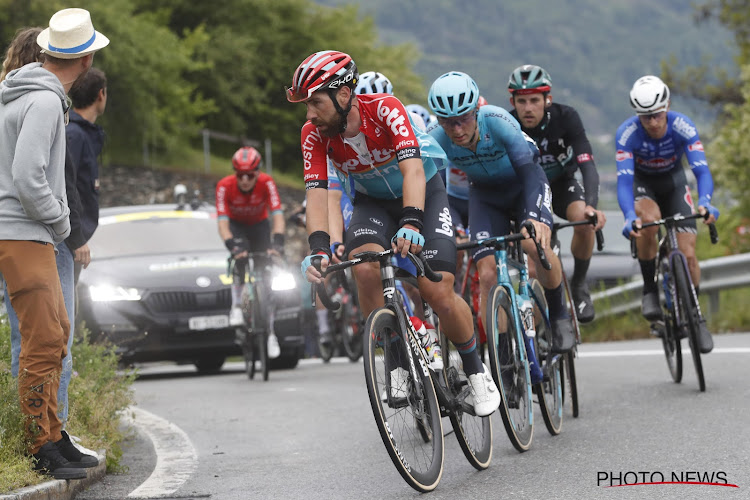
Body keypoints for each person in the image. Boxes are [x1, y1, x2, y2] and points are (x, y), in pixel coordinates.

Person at [288, 50, 500, 417]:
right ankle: (397, 361)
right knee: (365, 269)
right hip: (372, 202)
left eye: (315, 102)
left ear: (342, 95)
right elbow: (317, 194)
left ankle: (475, 370)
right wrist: (318, 248)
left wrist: (413, 222)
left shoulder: (385, 109)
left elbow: (414, 172)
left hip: (422, 194)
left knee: (437, 291)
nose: (309, 113)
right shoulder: (313, 133)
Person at [0, 8, 107, 479]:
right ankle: (38, 445)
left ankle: (53, 433)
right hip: (24, 231)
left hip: (23, 231)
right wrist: (61, 221)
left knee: (55, 333)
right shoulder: (43, 102)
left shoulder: (24, 95)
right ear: (85, 61)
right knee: (44, 339)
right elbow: (28, 175)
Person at [427, 71, 575, 358]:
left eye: (464, 119)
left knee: (533, 243)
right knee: (487, 275)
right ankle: (503, 354)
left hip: (524, 186)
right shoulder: (437, 139)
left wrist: (532, 217)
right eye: (448, 122)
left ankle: (559, 314)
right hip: (484, 196)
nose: (457, 129)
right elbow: (437, 195)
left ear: (476, 111)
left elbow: (530, 171)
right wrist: (446, 230)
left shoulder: (496, 120)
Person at [616, 75, 718, 353]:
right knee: (647, 223)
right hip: (643, 184)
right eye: (645, 117)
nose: (653, 122)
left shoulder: (683, 126)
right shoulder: (627, 134)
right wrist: (628, 216)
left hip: (673, 183)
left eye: (658, 115)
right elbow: (624, 182)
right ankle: (650, 288)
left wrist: (706, 202)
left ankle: (695, 315)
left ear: (667, 106)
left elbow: (701, 171)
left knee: (688, 254)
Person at [507, 65, 606, 323]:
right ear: (513, 102)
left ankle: (580, 285)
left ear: (547, 100)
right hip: (528, 192)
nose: (528, 108)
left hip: (561, 185)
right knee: (533, 254)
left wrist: (592, 206)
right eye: (522, 101)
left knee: (584, 223)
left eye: (534, 101)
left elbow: (587, 164)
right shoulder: (507, 125)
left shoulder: (567, 118)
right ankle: (541, 324)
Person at [216, 146, 285, 358]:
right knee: (240, 261)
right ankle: (236, 306)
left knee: (267, 275)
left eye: (250, 175)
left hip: (259, 226)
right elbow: (222, 223)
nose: (245, 180)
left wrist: (278, 243)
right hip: (237, 227)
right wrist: (232, 246)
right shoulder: (224, 186)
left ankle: (271, 332)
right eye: (240, 175)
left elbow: (277, 214)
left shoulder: (267, 182)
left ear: (258, 173)